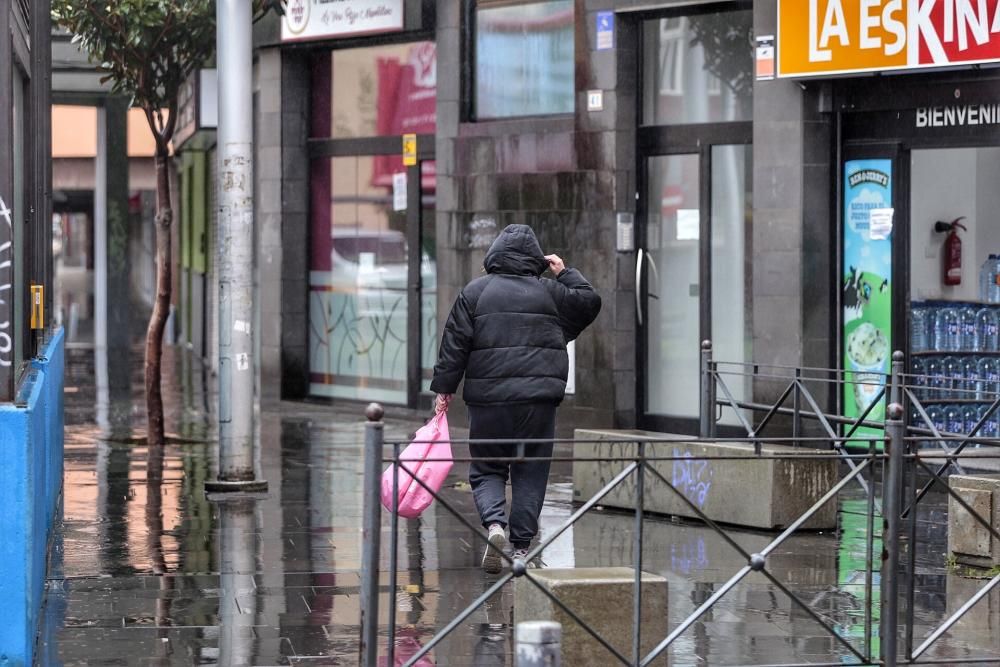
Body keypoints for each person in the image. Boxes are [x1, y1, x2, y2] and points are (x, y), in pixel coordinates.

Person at [430, 224, 601, 573]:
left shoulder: (475, 292)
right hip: (537, 402)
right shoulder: (550, 293)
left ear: (494, 255)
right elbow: (588, 302)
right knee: (531, 471)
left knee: (488, 468)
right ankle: (521, 549)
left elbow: (454, 344)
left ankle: (495, 525)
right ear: (535, 258)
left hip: (489, 401)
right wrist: (566, 273)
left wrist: (444, 390)